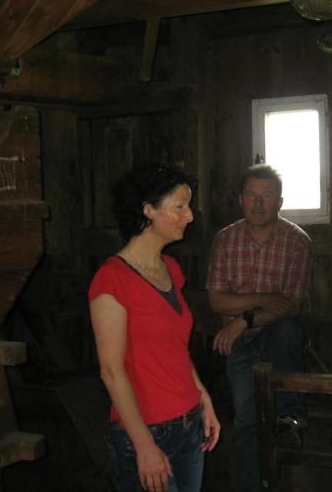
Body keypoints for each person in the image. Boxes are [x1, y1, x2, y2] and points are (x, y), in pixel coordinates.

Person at [89, 163, 220, 492]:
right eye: (180, 206)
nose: (189, 216)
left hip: (189, 424)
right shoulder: (112, 280)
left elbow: (177, 349)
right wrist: (144, 446)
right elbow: (111, 372)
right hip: (147, 432)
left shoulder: (171, 269)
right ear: (148, 210)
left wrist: (203, 398)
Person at [207, 164, 312, 492]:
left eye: (266, 196)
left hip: (277, 336)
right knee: (247, 422)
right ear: (240, 200)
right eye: (251, 195)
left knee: (285, 329)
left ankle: (290, 419)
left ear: (279, 202)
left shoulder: (297, 241)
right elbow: (217, 301)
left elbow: (292, 306)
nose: (257, 203)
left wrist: (244, 318)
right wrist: (266, 298)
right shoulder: (225, 240)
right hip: (238, 342)